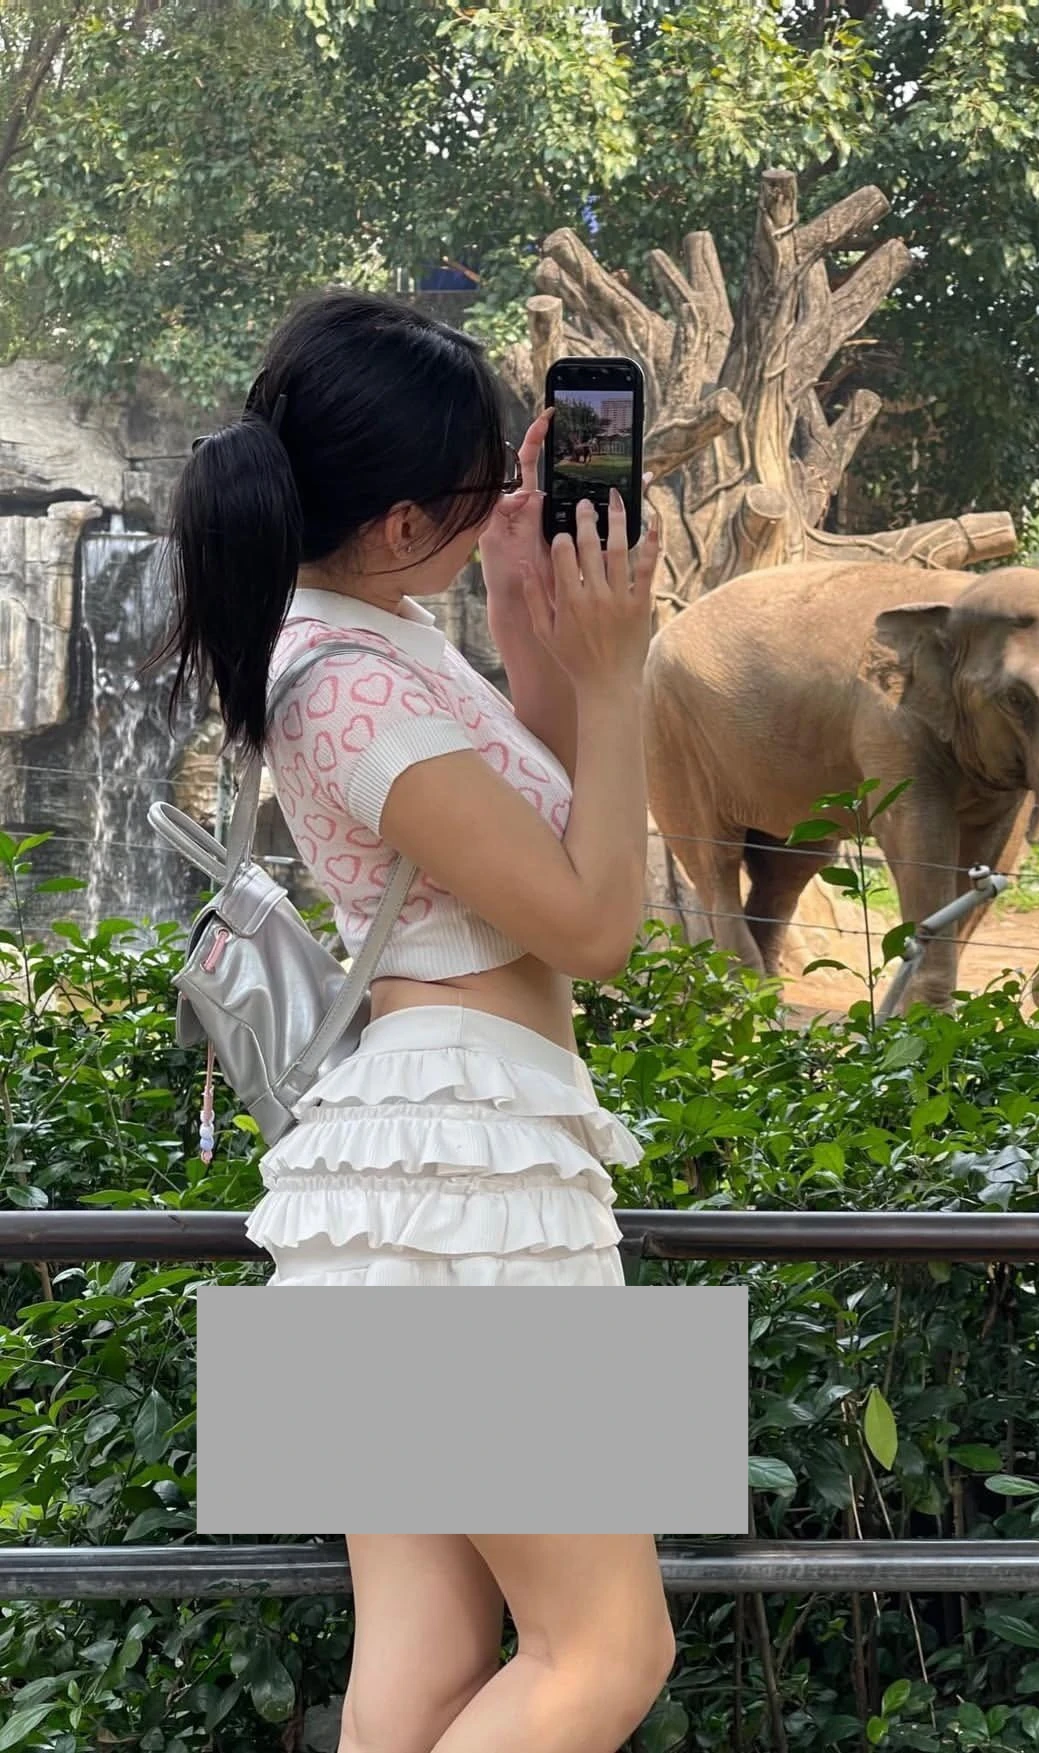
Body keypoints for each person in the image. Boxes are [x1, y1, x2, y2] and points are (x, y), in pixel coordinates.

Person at [144, 287, 674, 1753]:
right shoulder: (351, 693)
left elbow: (555, 816)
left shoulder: (374, 641)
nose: (509, 496)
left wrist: (522, 610)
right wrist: (625, 669)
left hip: (405, 1188)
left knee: (431, 1659)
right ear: (392, 524)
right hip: (470, 1180)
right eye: (480, 489)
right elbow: (597, 929)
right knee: (607, 1651)